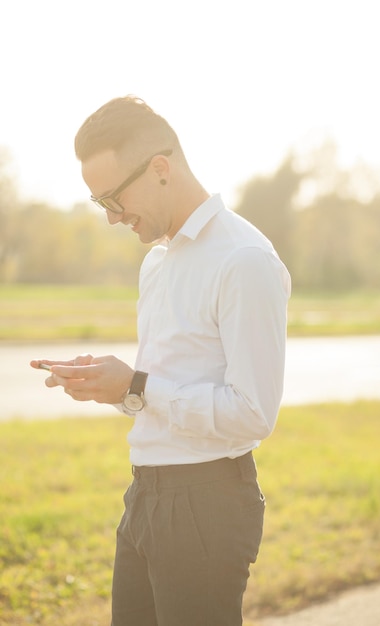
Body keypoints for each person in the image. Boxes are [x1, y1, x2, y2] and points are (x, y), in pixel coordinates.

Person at [31, 96, 291, 626]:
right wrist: (115, 387)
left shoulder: (244, 261)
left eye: (113, 197)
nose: (110, 218)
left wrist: (140, 385)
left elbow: (253, 413)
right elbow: (157, 391)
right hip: (144, 496)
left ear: (160, 169)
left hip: (207, 503)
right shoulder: (156, 262)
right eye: (96, 202)